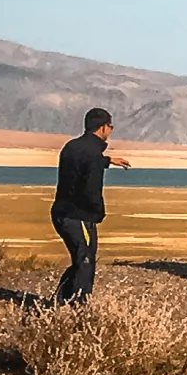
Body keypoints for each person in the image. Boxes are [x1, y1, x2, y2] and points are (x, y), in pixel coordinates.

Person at [51, 107, 132, 305]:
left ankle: (61, 300)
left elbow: (82, 163)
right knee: (85, 261)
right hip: (78, 215)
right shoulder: (92, 154)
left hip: (63, 212)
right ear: (103, 128)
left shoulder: (73, 146)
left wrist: (108, 160)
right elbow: (91, 188)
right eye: (111, 126)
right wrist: (97, 213)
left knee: (82, 258)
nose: (111, 131)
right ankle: (77, 307)